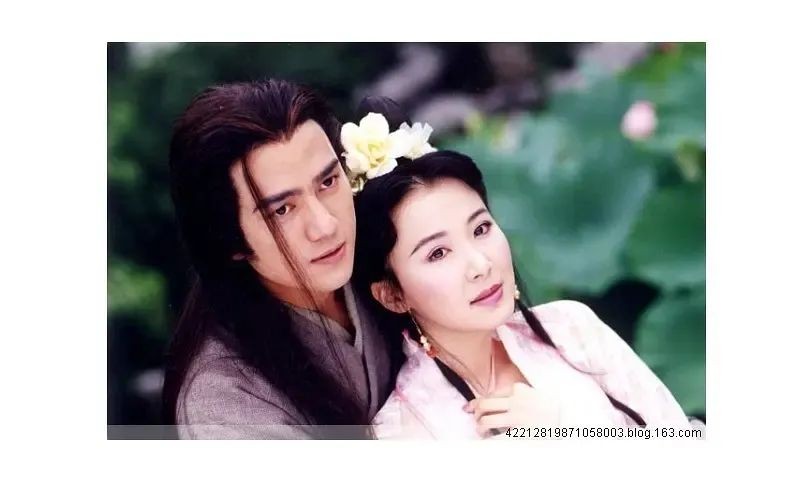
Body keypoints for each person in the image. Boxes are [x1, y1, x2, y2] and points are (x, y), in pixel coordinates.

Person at [347, 97, 695, 439]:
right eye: (438, 253)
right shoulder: (402, 432)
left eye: (481, 229)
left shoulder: (571, 328)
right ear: (392, 295)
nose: (481, 264)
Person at [162, 80, 401, 439]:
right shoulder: (224, 402)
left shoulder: (386, 251)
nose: (325, 225)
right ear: (229, 238)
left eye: (328, 182)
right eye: (282, 210)